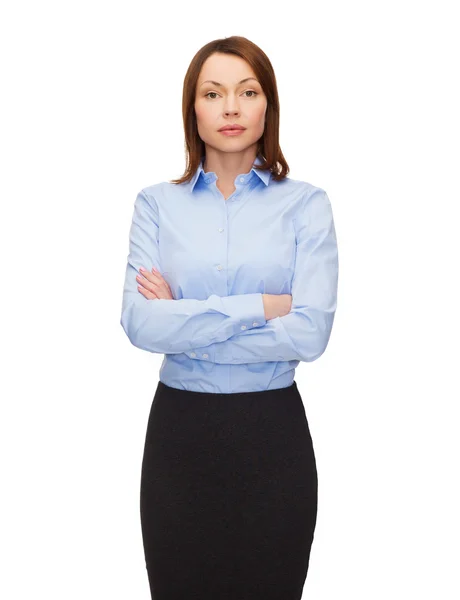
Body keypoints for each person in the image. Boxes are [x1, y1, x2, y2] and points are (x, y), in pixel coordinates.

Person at [120, 35, 339, 600]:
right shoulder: (156, 205)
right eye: (213, 93)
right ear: (193, 109)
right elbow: (141, 324)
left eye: (248, 91)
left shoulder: (306, 205)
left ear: (269, 104)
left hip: (273, 439)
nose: (232, 108)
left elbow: (311, 333)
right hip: (180, 439)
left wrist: (186, 322)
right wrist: (260, 308)